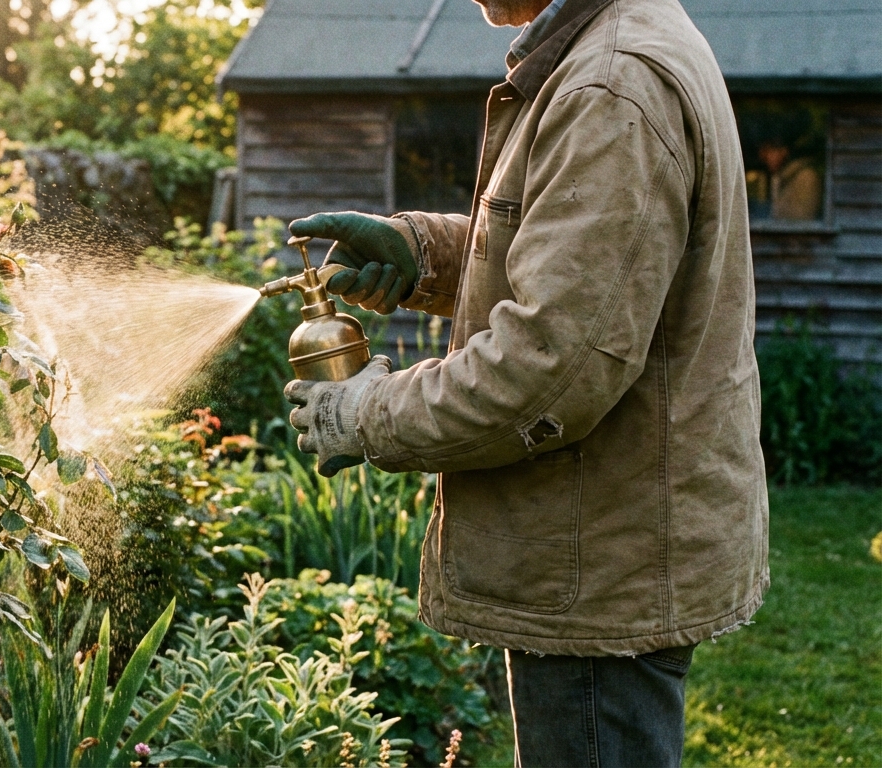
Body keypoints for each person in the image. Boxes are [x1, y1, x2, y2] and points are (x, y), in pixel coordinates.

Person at [282, 0, 768, 766]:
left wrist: (366, 413)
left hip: (596, 559)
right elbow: (579, 267)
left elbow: (549, 368)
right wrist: (424, 252)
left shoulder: (610, 85)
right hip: (607, 542)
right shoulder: (617, 44)